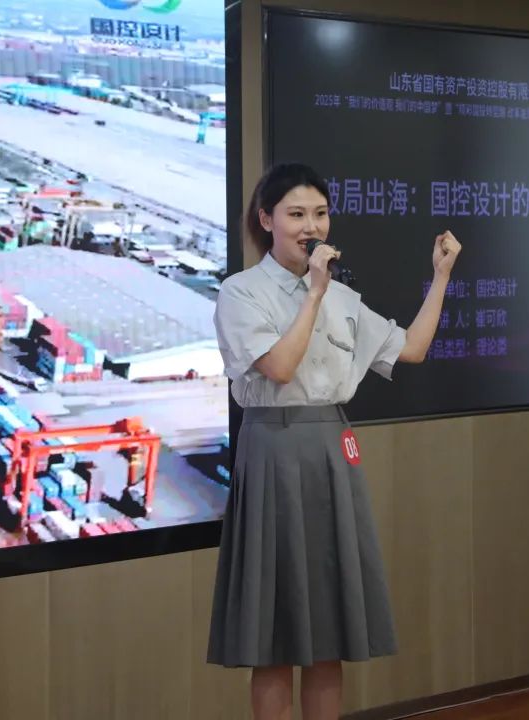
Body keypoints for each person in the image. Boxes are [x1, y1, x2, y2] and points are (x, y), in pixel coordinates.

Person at [207, 163, 461, 720]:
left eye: (320, 214)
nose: (311, 226)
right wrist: (315, 294)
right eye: (296, 214)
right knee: (273, 636)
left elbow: (412, 348)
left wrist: (441, 277)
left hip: (331, 448)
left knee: (327, 634)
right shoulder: (241, 292)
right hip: (273, 448)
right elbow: (279, 367)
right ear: (266, 220)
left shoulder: (342, 297)